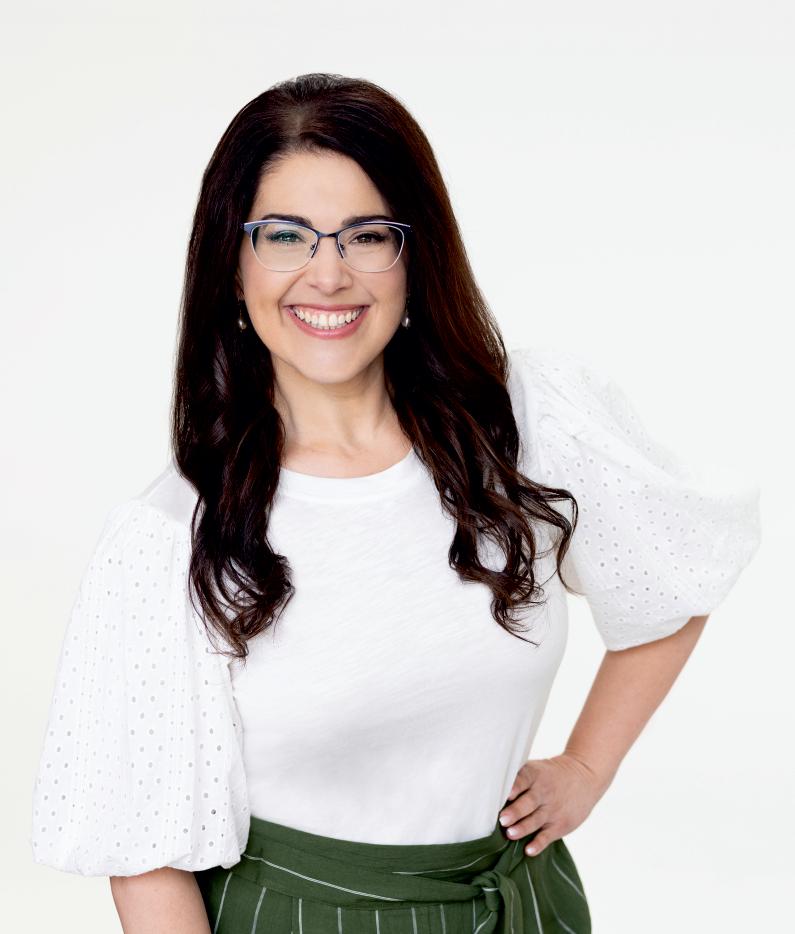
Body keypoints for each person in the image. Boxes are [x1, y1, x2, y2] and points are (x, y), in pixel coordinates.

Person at [29, 73, 761, 934]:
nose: (327, 274)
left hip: (524, 905)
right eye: (285, 236)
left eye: (367, 235)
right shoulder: (170, 537)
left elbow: (674, 577)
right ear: (232, 262)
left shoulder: (524, 424)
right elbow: (144, 860)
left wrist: (586, 768)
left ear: (416, 257)